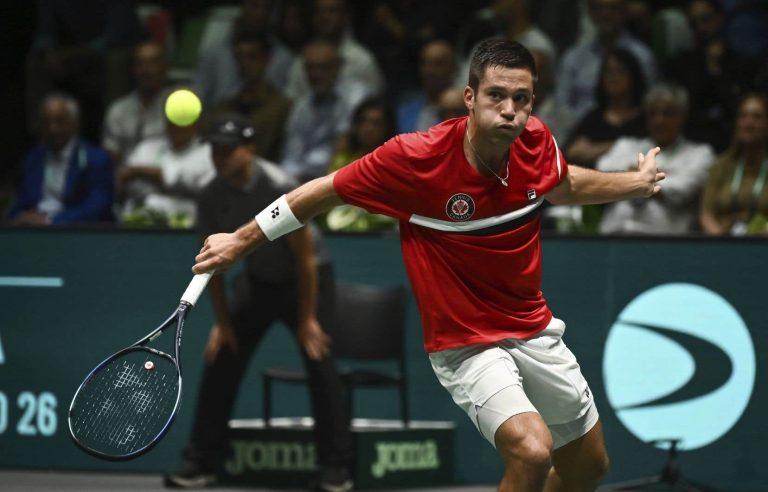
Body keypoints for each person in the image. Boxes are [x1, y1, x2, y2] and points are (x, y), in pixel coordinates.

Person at [190, 39, 665, 492]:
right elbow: (319, 191)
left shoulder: (536, 141)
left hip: (533, 328)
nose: (509, 110)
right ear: (469, 97)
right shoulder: (415, 160)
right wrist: (242, 239)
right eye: (496, 96)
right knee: (533, 451)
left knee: (589, 466)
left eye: (521, 99)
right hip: (465, 344)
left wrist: (635, 183)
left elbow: (563, 184)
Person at [164, 114, 354, 491]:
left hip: (306, 282)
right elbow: (210, 261)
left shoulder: (277, 185)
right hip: (259, 282)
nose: (220, 157)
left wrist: (307, 320)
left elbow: (305, 260)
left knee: (320, 361)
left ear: (249, 149)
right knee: (222, 357)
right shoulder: (211, 194)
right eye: (215, 150)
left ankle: (337, 470)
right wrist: (222, 322)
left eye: (228, 150)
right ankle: (200, 463)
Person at [596, 83, 715, 234]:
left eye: (667, 113)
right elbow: (602, 174)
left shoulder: (700, 154)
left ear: (682, 117)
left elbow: (682, 190)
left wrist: (630, 177)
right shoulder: (626, 145)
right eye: (653, 113)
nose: (659, 120)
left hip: (665, 242)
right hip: (614, 236)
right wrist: (656, 177)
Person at [9, 93, 114, 225]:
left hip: (74, 232)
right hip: (34, 231)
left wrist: (51, 221)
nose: (53, 129)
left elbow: (98, 207)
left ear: (75, 123)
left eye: (60, 121)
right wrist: (21, 216)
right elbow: (20, 203)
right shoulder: (33, 159)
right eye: (47, 122)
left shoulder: (96, 159)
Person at [280, 39, 369, 183]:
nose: (316, 74)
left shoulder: (355, 97)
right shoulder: (302, 107)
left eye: (323, 67)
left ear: (338, 67)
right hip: (302, 181)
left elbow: (344, 146)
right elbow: (291, 156)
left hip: (342, 177)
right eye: (311, 68)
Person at [557, 0, 657, 121]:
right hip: (579, 131)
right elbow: (562, 105)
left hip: (629, 129)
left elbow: (650, 103)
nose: (605, 14)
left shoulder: (642, 56)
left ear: (625, 12)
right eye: (598, 8)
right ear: (590, 12)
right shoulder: (573, 58)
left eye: (613, 8)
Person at [116, 108, 215, 228]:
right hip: (138, 225)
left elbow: (203, 190)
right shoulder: (147, 147)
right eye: (173, 122)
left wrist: (141, 171)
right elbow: (129, 184)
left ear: (197, 123)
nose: (177, 127)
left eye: (184, 122)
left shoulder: (208, 152)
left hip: (188, 228)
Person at [211, 27, 293, 162]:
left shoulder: (282, 108)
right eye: (240, 57)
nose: (245, 63)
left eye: (252, 56)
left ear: (267, 59)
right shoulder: (223, 107)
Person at [565, 48, 647, 169]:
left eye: (621, 71)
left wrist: (594, 148)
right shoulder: (593, 118)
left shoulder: (646, 118)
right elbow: (573, 152)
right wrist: (619, 146)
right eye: (608, 72)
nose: (613, 77)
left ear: (633, 76)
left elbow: (648, 150)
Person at [700, 93, 768, 236]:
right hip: (724, 245)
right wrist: (725, 243)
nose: (749, 123)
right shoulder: (720, 166)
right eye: (744, 116)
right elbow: (707, 214)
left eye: (757, 117)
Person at [102, 41, 171, 167]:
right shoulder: (118, 109)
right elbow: (110, 155)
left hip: (167, 178)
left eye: (153, 63)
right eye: (141, 64)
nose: (146, 70)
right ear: (134, 69)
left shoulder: (179, 105)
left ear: (165, 67)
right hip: (125, 179)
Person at [396, 40, 457, 133]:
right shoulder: (406, 109)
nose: (430, 71)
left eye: (438, 64)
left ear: (453, 68)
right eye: (425, 63)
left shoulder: (462, 110)